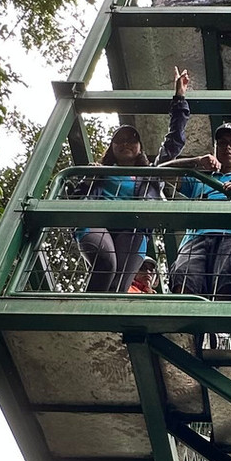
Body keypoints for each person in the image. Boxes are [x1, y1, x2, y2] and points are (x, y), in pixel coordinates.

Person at [68, 67, 191, 293]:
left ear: (140, 148)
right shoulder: (99, 171)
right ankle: (85, 312)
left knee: (119, 285)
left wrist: (179, 98)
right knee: (106, 262)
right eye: (119, 140)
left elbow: (174, 141)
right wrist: (88, 178)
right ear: (112, 147)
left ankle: (103, 325)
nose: (125, 144)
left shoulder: (150, 173)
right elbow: (74, 197)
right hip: (96, 222)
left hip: (133, 228)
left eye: (131, 140)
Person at [167, 124, 231, 300]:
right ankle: (185, 328)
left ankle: (221, 329)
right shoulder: (200, 178)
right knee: (184, 284)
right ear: (215, 148)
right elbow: (162, 171)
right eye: (222, 143)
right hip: (195, 238)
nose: (227, 147)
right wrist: (197, 161)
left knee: (227, 286)